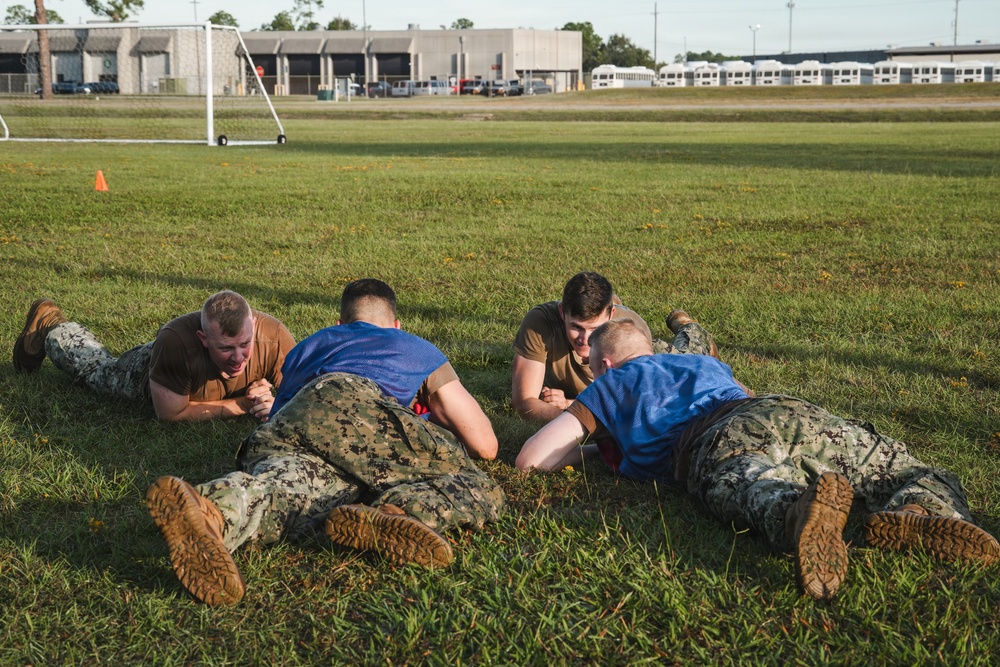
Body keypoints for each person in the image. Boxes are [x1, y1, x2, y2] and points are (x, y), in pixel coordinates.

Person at [516, 318, 998, 600]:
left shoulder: (611, 382)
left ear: (603, 364)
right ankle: (916, 508)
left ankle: (799, 511)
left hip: (715, 438)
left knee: (754, 484)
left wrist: (596, 450)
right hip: (780, 406)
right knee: (902, 467)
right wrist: (682, 320)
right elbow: (693, 335)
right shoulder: (704, 362)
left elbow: (532, 459)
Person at [146, 279, 506, 605]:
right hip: (359, 407)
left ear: (339, 326)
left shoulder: (310, 346)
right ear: (398, 327)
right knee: (478, 484)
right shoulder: (413, 346)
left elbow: (284, 412)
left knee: (288, 489)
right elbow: (484, 444)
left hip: (291, 426)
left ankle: (214, 512)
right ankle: (395, 512)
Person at [12, 291, 294, 422]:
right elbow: (171, 414)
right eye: (225, 348)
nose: (238, 358)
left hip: (188, 372)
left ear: (254, 327)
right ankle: (53, 325)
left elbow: (305, 395)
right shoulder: (177, 345)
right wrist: (243, 404)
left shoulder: (274, 337)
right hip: (148, 369)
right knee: (97, 371)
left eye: (244, 345)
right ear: (203, 339)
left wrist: (277, 402)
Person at [512, 271, 721, 422]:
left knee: (690, 356)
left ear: (610, 316)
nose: (584, 339)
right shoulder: (540, 323)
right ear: (561, 313)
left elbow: (635, 408)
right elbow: (524, 403)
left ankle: (689, 328)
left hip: (635, 345)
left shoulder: (631, 335)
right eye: (576, 327)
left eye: (594, 328)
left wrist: (570, 408)